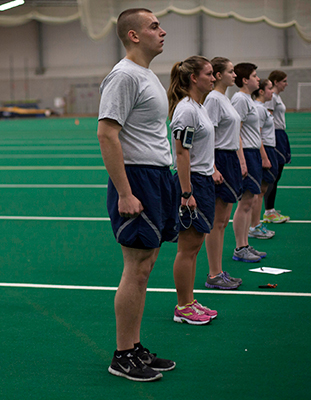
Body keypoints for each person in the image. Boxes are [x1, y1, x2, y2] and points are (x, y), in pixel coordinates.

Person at [97, 8, 176, 382]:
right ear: (133, 35)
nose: (163, 31)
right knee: (136, 267)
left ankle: (135, 345)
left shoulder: (146, 74)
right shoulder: (124, 75)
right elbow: (107, 134)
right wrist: (126, 193)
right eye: (154, 26)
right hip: (138, 179)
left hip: (157, 176)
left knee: (146, 266)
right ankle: (122, 354)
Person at [167, 55, 218, 324]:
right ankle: (183, 306)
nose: (214, 78)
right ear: (193, 78)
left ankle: (190, 299)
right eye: (209, 74)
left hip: (203, 179)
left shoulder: (199, 106)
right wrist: (187, 193)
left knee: (195, 246)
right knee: (187, 248)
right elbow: (181, 153)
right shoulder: (186, 109)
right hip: (193, 182)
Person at [202, 57, 244, 290]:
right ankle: (214, 274)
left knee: (222, 222)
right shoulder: (213, 100)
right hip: (219, 159)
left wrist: (240, 161)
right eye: (230, 71)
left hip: (229, 159)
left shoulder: (224, 99)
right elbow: (208, 135)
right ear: (218, 75)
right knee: (217, 223)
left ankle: (218, 271)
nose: (234, 75)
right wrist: (214, 168)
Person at [230, 63, 268, 263]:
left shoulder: (248, 100)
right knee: (245, 202)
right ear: (244, 80)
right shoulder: (239, 99)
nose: (258, 78)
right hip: (247, 153)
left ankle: (245, 244)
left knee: (251, 200)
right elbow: (236, 132)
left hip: (253, 153)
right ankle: (240, 247)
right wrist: (242, 160)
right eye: (254, 75)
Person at [249, 79, 278, 239]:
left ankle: (256, 224)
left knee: (262, 190)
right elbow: (257, 134)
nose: (272, 92)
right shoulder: (259, 109)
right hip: (264, 149)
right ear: (261, 91)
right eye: (269, 88)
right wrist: (264, 157)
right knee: (259, 191)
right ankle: (254, 226)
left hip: (268, 148)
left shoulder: (262, 108)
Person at [263, 70, 291, 223]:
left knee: (277, 174)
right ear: (276, 81)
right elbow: (267, 119)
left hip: (280, 135)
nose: (286, 84)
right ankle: (268, 211)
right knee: (273, 175)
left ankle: (271, 209)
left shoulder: (276, 97)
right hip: (274, 135)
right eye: (284, 81)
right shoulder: (271, 97)